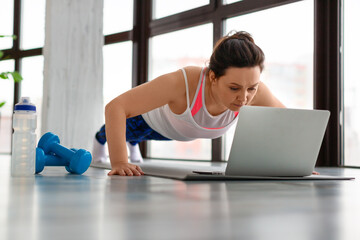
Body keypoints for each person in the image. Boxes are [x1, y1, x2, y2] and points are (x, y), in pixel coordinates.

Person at [92, 31, 285, 176]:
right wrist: (118, 162)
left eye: (251, 88)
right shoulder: (182, 82)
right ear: (213, 77)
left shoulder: (257, 92)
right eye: (234, 88)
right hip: (145, 122)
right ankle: (100, 139)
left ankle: (133, 143)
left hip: (180, 131)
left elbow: (288, 122)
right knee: (127, 132)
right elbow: (115, 107)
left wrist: (295, 165)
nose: (244, 98)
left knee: (137, 139)